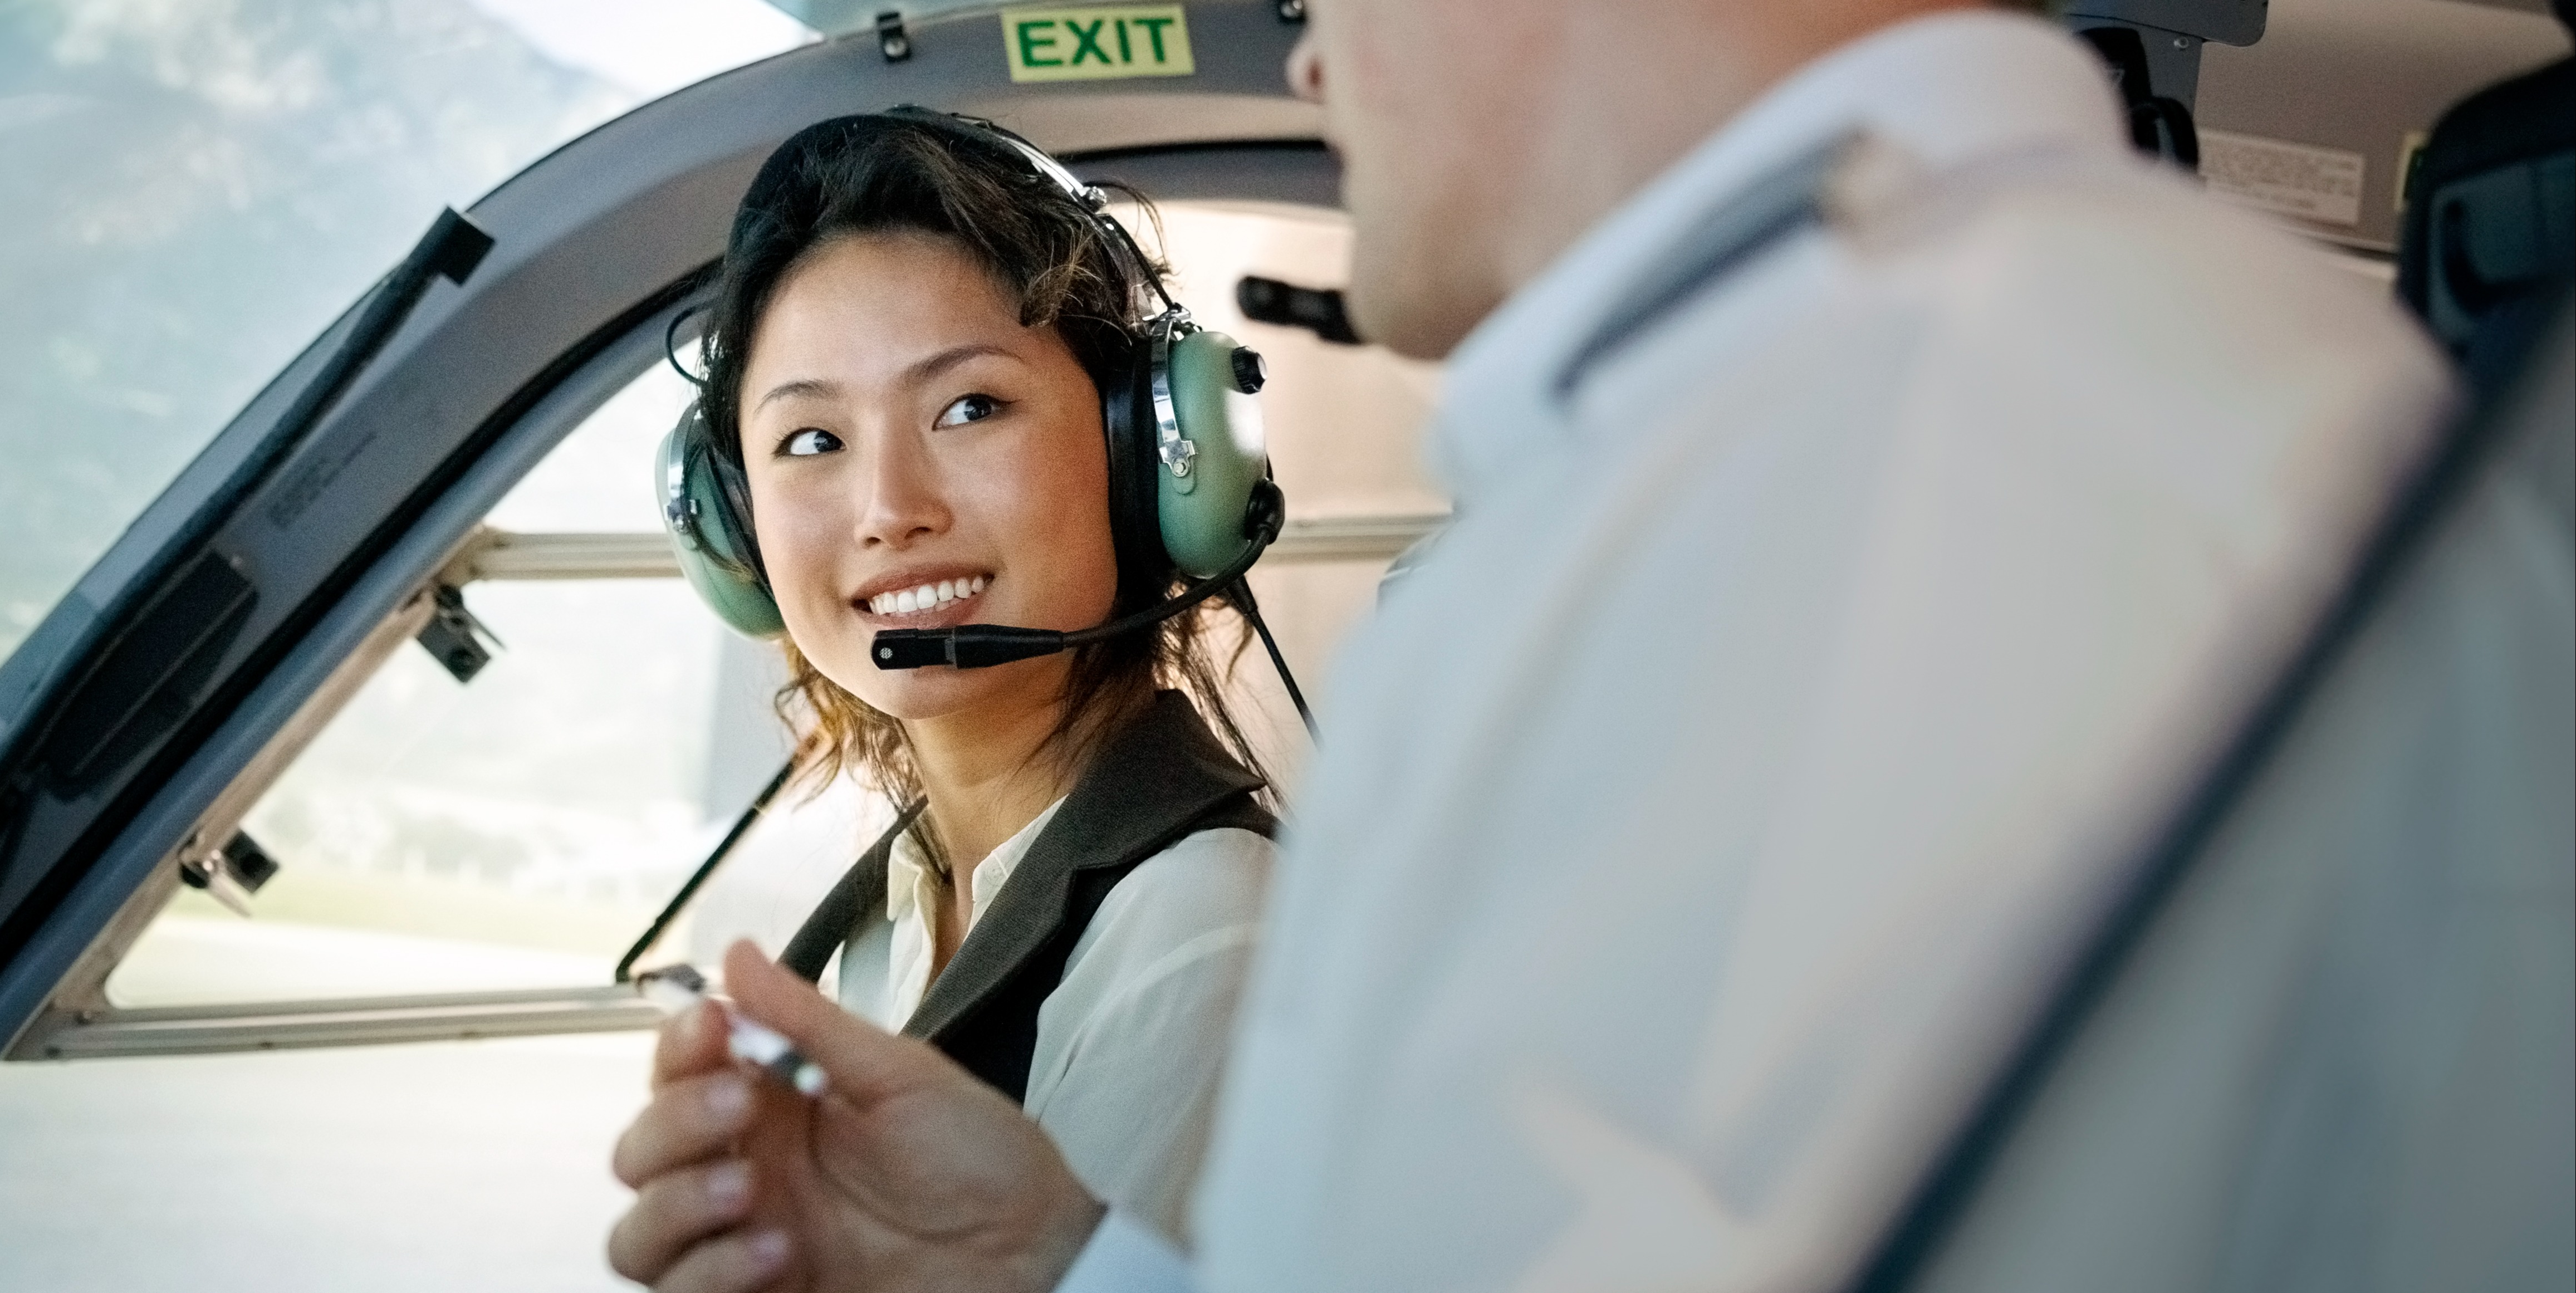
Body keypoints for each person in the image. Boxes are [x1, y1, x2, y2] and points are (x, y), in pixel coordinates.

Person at [607, 3, 2451, 1291]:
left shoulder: (1964, 463)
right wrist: (1062, 1265)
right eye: (807, 440)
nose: (1313, 50)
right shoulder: (1732, 465)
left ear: (1146, 454)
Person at [639, 110, 1281, 1246]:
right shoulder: (899, 908)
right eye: (811, 441)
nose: (892, 509)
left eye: (970, 407)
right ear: (732, 527)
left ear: (1146, 455)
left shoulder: (1198, 926)